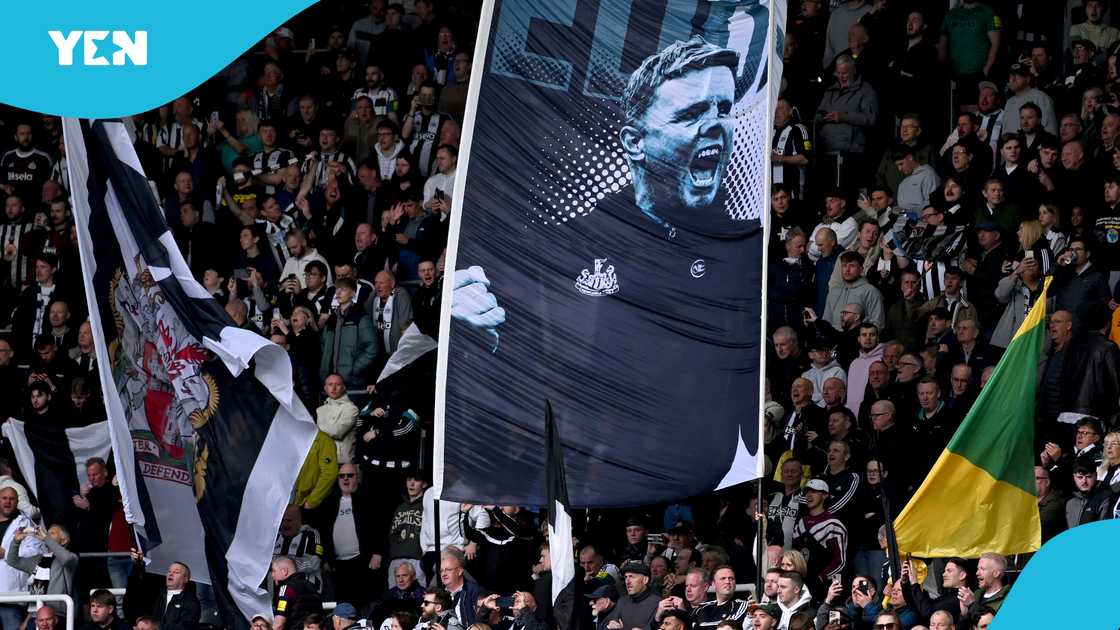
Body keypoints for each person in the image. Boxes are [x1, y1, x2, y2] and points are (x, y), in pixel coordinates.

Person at [123, 550, 201, 630]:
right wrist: (138, 565)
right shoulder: (157, 593)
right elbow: (133, 596)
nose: (171, 574)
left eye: (176, 572)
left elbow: (185, 627)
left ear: (185, 579)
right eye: (169, 571)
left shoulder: (191, 603)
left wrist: (156, 627)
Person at [271, 557, 323, 630]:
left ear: (284, 571)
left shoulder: (287, 588)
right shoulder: (312, 586)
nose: (272, 575)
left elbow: (279, 623)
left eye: (274, 571)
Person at [316, 374, 359, 464]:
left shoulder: (351, 408)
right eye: (330, 385)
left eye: (338, 384)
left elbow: (336, 432)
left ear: (343, 388)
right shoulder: (320, 410)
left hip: (342, 462)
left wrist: (316, 428)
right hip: (322, 460)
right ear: (325, 388)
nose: (334, 388)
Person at [604, 562, 659, 630]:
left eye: (631, 577)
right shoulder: (622, 601)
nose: (627, 581)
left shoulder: (657, 604)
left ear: (645, 580)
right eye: (626, 577)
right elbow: (611, 625)